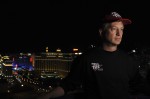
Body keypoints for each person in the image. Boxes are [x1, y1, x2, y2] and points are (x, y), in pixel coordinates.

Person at [37, 11, 149, 99]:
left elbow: (139, 84)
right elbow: (68, 84)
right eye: (114, 29)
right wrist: (48, 95)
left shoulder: (128, 60)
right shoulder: (87, 58)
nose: (119, 34)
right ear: (101, 32)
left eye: (122, 29)